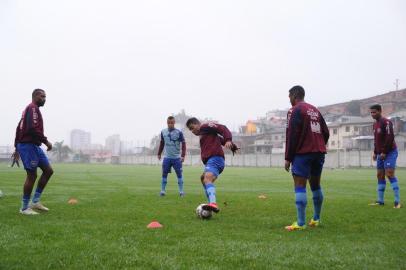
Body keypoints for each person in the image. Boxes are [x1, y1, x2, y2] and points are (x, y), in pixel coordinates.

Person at [284, 85, 329, 231]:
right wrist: (320, 144)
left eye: (289, 96)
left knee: (300, 185)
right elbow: (326, 132)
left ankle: (301, 223)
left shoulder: (295, 110)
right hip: (319, 152)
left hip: (303, 153)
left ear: (294, 96)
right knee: (315, 185)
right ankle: (316, 219)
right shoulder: (314, 109)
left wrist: (288, 157)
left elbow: (292, 135)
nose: (289, 99)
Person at [12, 89, 54, 215]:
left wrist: (16, 147)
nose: (44, 99)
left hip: (34, 145)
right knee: (32, 175)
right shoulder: (33, 108)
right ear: (35, 96)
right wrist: (46, 142)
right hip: (28, 145)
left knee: (48, 171)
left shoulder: (28, 110)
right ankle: (24, 208)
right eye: (42, 96)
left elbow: (19, 127)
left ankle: (35, 201)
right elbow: (32, 129)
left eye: (45, 96)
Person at [186, 117, 238, 213]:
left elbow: (222, 128)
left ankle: (213, 204)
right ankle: (212, 205)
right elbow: (220, 139)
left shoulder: (205, 126)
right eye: (190, 129)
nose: (192, 131)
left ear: (198, 124)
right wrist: (232, 146)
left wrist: (229, 140)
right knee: (203, 179)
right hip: (212, 161)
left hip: (215, 159)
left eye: (192, 127)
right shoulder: (204, 134)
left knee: (207, 179)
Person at [369, 104, 401, 208]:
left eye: (374, 112)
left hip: (390, 152)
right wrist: (375, 152)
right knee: (380, 175)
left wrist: (384, 152)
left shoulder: (386, 122)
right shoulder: (375, 124)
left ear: (380, 111)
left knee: (389, 173)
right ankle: (380, 201)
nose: (372, 114)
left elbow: (390, 137)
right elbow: (376, 140)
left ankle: (397, 202)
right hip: (380, 153)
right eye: (371, 112)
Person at [157, 116, 186, 196]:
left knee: (179, 174)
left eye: (172, 123)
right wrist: (159, 153)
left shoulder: (179, 132)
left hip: (177, 158)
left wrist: (183, 155)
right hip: (167, 158)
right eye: (169, 123)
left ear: (174, 123)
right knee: (164, 174)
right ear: (167, 123)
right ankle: (162, 191)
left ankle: (181, 192)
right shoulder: (163, 132)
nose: (170, 124)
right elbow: (162, 143)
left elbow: (183, 144)